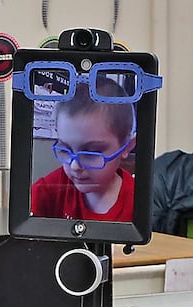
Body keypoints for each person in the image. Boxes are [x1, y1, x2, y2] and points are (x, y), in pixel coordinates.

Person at [28, 81, 136, 223]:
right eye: (65, 149)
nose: (74, 166)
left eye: (91, 152)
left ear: (127, 146)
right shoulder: (52, 189)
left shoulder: (138, 202)